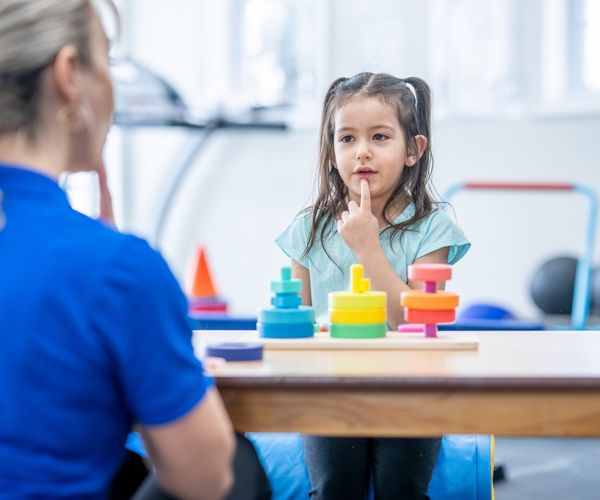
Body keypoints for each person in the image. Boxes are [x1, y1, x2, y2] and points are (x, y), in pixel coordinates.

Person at [0, 1, 267, 498]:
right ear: (69, 76)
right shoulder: (116, 270)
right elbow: (203, 479)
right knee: (237, 461)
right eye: (108, 61)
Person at [276, 72, 470, 499]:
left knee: (401, 488)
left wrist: (368, 247)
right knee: (333, 488)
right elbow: (294, 324)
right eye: (347, 139)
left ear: (413, 150)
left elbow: (414, 319)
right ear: (331, 151)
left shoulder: (432, 229)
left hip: (411, 389)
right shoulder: (306, 230)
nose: (362, 152)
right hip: (330, 389)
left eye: (380, 137)